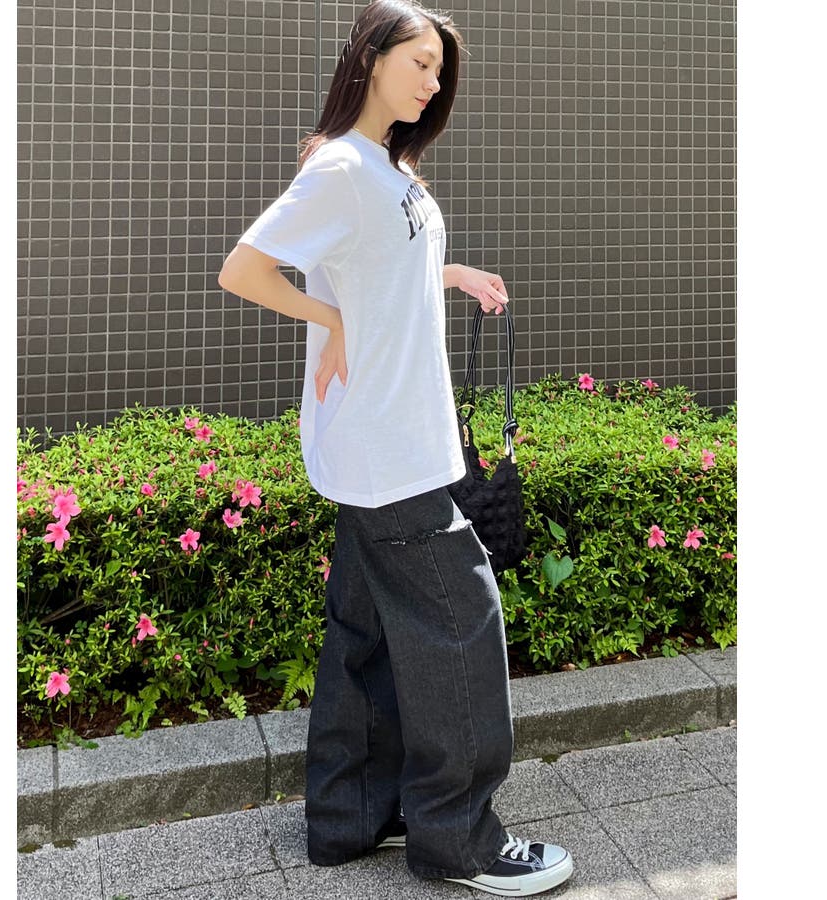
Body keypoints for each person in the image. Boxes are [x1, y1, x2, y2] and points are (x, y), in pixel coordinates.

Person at [218, 1, 574, 895]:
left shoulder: (386, 166)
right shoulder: (343, 165)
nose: (432, 81)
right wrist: (329, 317)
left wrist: (447, 274)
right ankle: (459, 840)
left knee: (367, 638)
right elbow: (244, 269)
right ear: (371, 58)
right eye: (418, 62)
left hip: (392, 438)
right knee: (462, 628)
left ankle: (348, 819)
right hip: (386, 448)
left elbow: (378, 267)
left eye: (439, 69)